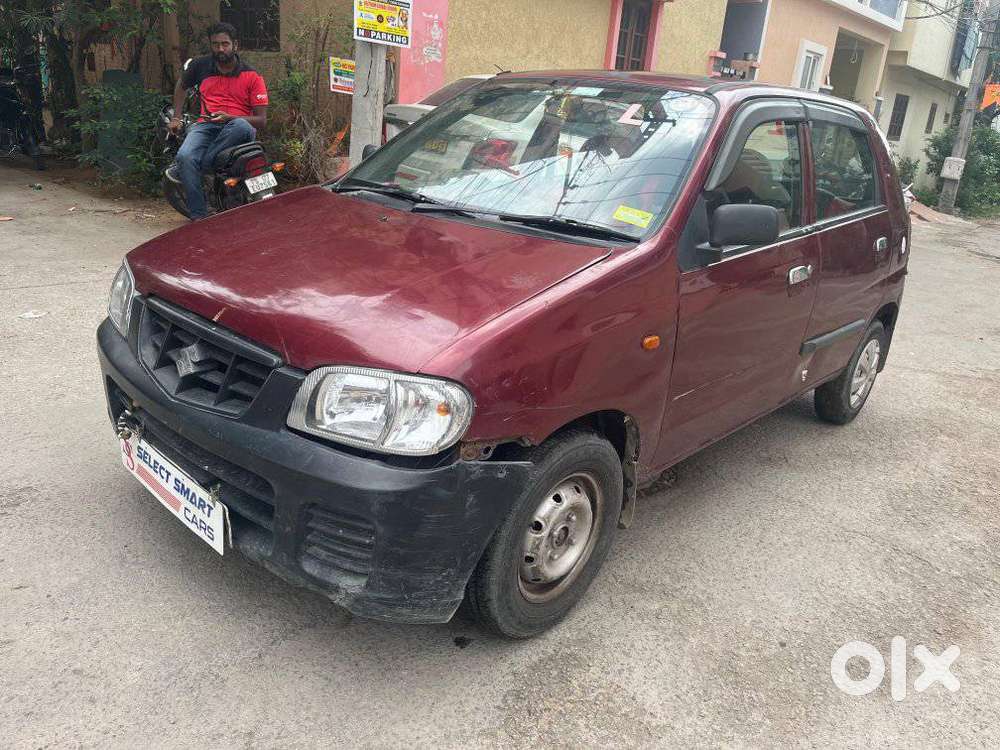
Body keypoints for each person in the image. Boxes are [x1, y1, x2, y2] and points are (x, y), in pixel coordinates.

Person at [166, 22, 268, 220]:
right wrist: (176, 117)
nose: (220, 49)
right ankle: (199, 217)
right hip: (207, 126)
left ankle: (195, 168)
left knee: (239, 125)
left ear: (235, 45)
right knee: (185, 156)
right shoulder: (200, 65)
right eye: (216, 44)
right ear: (211, 45)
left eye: (225, 44)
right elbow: (181, 85)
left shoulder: (253, 75)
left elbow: (261, 121)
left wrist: (230, 117)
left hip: (239, 129)